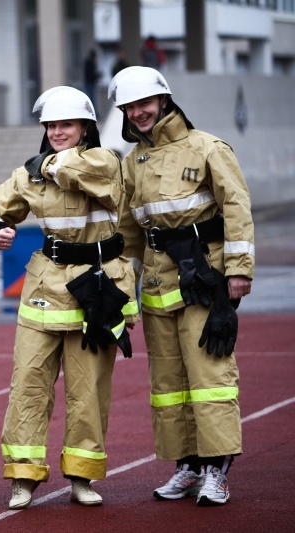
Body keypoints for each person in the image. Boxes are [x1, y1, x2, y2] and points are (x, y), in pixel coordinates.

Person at [0, 86, 138, 510]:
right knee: (28, 386)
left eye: (65, 124)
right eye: (50, 125)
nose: (56, 132)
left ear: (86, 127)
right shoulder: (30, 173)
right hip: (45, 288)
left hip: (97, 287)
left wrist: (43, 166)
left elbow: (77, 171)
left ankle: (82, 478)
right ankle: (23, 478)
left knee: (88, 391)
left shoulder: (105, 161)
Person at [108, 66, 254, 506]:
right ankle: (186, 466)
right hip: (156, 287)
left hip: (203, 281)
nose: (139, 113)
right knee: (169, 384)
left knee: (211, 378)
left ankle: (217, 470)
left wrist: (239, 270)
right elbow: (130, 232)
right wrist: (122, 290)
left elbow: (236, 208)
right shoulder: (132, 161)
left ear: (164, 101)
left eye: (144, 104)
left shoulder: (208, 147)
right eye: (130, 107)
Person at [83, 49, 101, 115]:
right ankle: (92, 113)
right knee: (91, 99)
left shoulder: (91, 63)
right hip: (89, 83)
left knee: (92, 99)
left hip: (91, 83)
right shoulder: (89, 63)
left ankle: (93, 112)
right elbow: (89, 73)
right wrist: (96, 75)